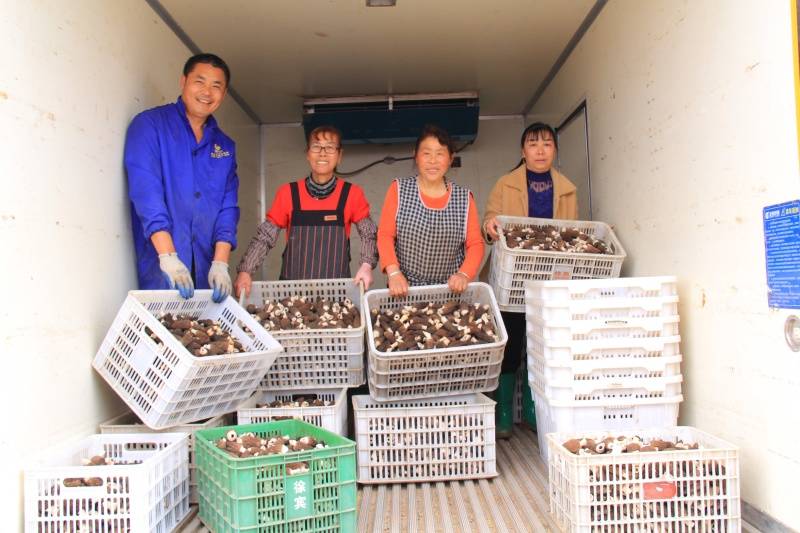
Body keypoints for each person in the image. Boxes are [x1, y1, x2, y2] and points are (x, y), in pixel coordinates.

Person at [482, 122, 578, 438]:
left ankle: (535, 412)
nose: (540, 150)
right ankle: (504, 413)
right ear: (523, 151)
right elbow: (488, 221)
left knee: (543, 346)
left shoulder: (568, 189)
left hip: (550, 277)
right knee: (510, 343)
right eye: (533, 144)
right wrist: (490, 226)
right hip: (512, 276)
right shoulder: (505, 183)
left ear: (555, 151)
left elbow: (572, 234)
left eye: (547, 144)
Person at [124, 53, 238, 303]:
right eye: (200, 81)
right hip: (161, 267)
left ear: (224, 94)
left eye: (216, 86)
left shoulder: (225, 146)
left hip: (206, 272)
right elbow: (147, 194)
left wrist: (220, 263)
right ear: (183, 81)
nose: (207, 92)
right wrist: (168, 258)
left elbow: (228, 208)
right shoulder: (150, 126)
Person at [234, 126, 377, 296]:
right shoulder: (288, 193)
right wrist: (246, 271)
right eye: (316, 147)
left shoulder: (352, 194)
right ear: (308, 154)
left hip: (336, 294)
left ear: (339, 156)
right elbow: (264, 237)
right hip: (291, 295)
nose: (322, 153)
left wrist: (367, 265)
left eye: (330, 147)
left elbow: (369, 234)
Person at [377, 125, 484, 296]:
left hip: (449, 290)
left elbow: (475, 244)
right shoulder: (398, 189)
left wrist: (464, 275)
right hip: (404, 288)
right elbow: (385, 235)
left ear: (450, 159)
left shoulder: (464, 198)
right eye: (426, 153)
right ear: (416, 156)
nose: (432, 161)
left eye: (440, 154)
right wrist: (394, 273)